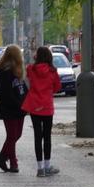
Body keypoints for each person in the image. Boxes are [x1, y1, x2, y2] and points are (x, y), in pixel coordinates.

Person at [20, 46, 61, 177]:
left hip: (34, 106)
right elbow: (57, 87)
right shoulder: (52, 71)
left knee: (37, 136)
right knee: (47, 136)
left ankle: (40, 168)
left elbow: (25, 79)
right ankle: (48, 166)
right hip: (47, 107)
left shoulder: (31, 69)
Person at [0, 45, 28, 173]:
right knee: (12, 136)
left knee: (16, 135)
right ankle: (13, 163)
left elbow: (23, 89)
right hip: (9, 109)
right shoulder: (6, 71)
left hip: (20, 108)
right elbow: (6, 93)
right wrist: (19, 105)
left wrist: (26, 102)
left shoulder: (17, 70)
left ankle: (2, 158)